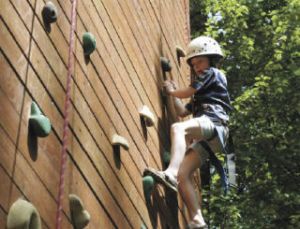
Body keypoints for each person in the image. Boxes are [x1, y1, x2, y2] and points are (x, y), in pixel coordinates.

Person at [144, 36, 231, 229]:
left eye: (199, 60)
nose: (197, 67)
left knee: (177, 128)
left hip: (214, 123)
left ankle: (170, 173)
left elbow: (186, 92)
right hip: (214, 138)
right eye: (193, 64)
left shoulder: (213, 73)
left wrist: (172, 91)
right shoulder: (205, 92)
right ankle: (197, 220)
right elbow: (182, 111)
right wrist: (172, 93)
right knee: (185, 174)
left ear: (210, 58)